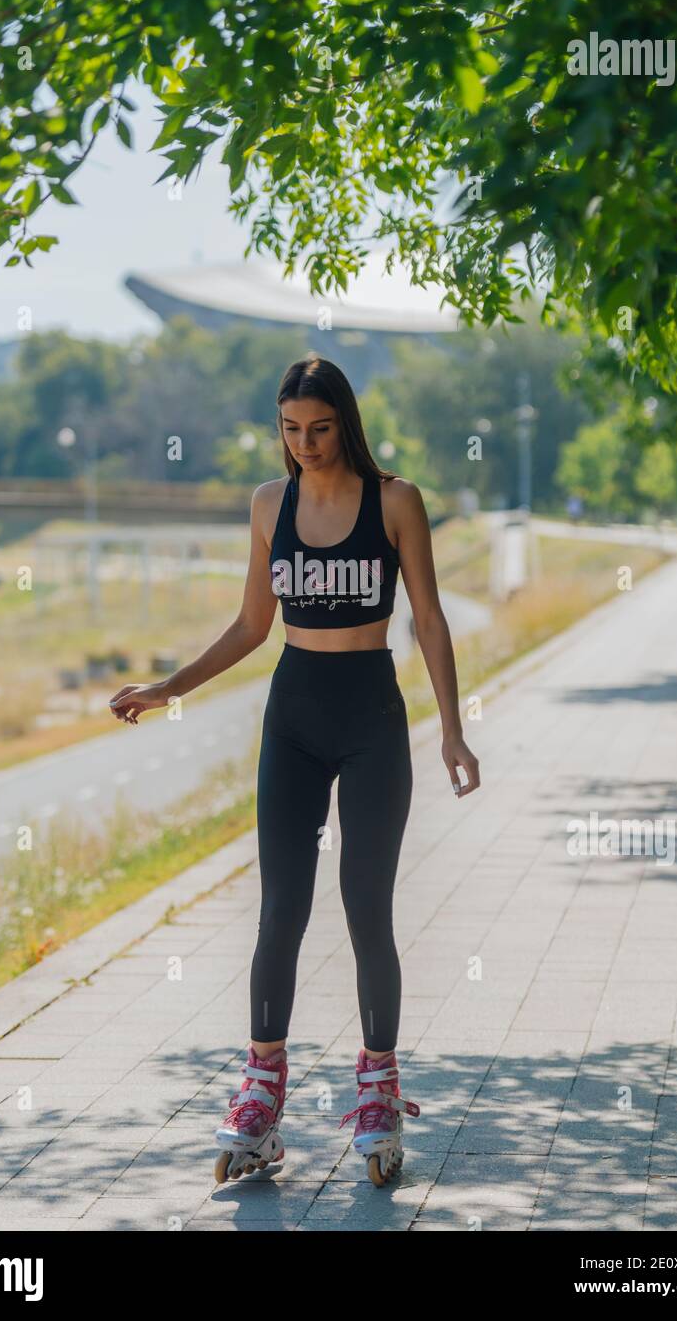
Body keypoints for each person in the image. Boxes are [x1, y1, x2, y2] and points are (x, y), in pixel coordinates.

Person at [109, 356, 481, 1186]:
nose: (304, 445)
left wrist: (452, 731)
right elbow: (250, 625)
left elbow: (427, 620)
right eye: (289, 429)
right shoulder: (266, 505)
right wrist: (169, 686)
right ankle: (261, 1096)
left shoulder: (394, 501)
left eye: (318, 429)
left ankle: (378, 1091)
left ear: (343, 422)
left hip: (372, 717)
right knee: (280, 909)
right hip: (294, 716)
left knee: (365, 909)